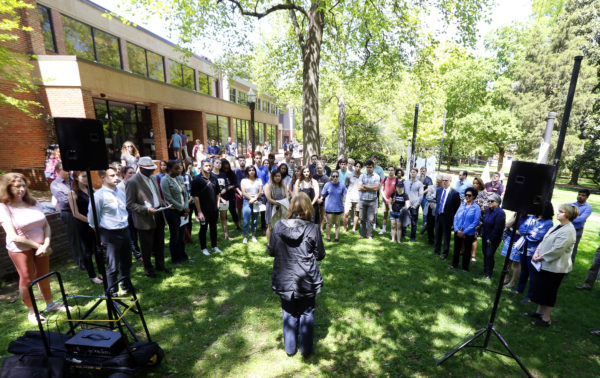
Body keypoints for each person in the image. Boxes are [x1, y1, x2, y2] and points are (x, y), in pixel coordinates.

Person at [0, 173, 67, 324]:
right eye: (17, 186)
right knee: (27, 279)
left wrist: (47, 244)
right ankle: (32, 312)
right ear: (7, 188)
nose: (22, 189)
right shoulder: (4, 207)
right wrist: (40, 246)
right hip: (20, 249)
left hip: (42, 246)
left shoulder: (33, 202)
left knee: (44, 275)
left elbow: (46, 224)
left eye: (23, 185)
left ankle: (50, 304)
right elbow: (13, 236)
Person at [268, 192, 325, 357]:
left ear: (292, 207)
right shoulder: (312, 229)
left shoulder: (278, 226)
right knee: (306, 312)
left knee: (289, 311)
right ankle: (303, 350)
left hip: (286, 278)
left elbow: (271, 251)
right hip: (305, 277)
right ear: (308, 208)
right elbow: (319, 254)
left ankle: (291, 349)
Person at [527, 204, 578, 327]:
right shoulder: (557, 226)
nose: (558, 213)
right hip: (545, 263)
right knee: (542, 289)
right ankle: (539, 312)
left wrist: (541, 257)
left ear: (568, 215)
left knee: (549, 292)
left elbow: (557, 250)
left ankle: (546, 319)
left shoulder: (569, 231)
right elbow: (544, 241)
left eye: (561, 212)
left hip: (556, 268)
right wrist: (537, 252)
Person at [89, 168, 135, 296]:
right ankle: (112, 292)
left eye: (116, 175)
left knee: (127, 262)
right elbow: (93, 219)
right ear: (103, 178)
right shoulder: (98, 196)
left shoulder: (120, 192)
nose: (116, 178)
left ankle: (126, 285)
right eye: (112, 175)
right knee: (113, 266)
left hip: (124, 230)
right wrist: (101, 236)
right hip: (110, 234)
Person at [126, 157, 171, 277]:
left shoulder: (153, 177)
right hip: (144, 219)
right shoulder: (132, 182)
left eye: (152, 168)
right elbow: (130, 203)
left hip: (158, 214)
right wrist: (146, 209)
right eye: (149, 169)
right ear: (140, 168)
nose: (152, 171)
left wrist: (162, 202)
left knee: (159, 243)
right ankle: (149, 270)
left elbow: (156, 195)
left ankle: (160, 265)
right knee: (147, 246)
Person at [67, 171, 103, 284]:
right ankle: (92, 276)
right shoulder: (72, 193)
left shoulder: (91, 189)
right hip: (83, 225)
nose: (86, 178)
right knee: (87, 251)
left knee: (98, 249)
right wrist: (91, 222)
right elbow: (75, 213)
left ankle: (101, 272)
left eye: (87, 176)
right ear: (76, 178)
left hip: (94, 224)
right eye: (83, 176)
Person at [514, 204, 554, 301]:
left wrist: (528, 233)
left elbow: (537, 237)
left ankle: (530, 296)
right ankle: (519, 289)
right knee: (524, 270)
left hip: (534, 251)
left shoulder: (548, 223)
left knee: (533, 274)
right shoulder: (531, 217)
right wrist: (531, 232)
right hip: (524, 248)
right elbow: (522, 229)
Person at [50, 162, 83, 270]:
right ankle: (80, 262)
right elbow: (64, 201)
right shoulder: (55, 184)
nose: (69, 172)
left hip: (81, 211)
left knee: (84, 235)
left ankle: (87, 257)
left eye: (69, 170)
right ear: (59, 171)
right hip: (68, 213)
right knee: (74, 237)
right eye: (66, 170)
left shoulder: (74, 181)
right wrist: (78, 198)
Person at [160, 160, 190, 266]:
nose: (179, 170)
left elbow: (185, 194)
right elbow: (168, 198)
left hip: (183, 211)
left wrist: (186, 206)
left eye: (180, 167)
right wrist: (182, 208)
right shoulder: (165, 180)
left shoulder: (180, 178)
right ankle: (175, 259)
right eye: (176, 168)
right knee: (175, 236)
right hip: (172, 212)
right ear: (169, 169)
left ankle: (183, 256)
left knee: (182, 236)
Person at [192, 159, 222, 255]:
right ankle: (203, 248)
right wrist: (199, 211)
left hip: (214, 209)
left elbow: (218, 193)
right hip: (203, 210)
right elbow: (195, 197)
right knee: (203, 228)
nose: (208, 167)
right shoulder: (196, 180)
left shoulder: (214, 178)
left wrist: (217, 205)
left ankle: (214, 246)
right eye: (206, 165)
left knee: (214, 228)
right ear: (201, 167)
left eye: (209, 165)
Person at [451, 187, 481, 271]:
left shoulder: (476, 208)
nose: (467, 196)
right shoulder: (461, 205)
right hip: (458, 231)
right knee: (456, 249)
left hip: (468, 233)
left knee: (467, 251)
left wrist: (464, 232)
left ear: (474, 196)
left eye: (469, 195)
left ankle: (465, 267)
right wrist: (457, 230)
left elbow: (475, 222)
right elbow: (455, 217)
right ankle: (454, 264)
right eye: (466, 195)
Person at [117, 166, 143, 262]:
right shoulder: (120, 187)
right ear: (124, 174)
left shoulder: (135, 184)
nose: (132, 175)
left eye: (133, 172)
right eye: (130, 173)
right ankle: (137, 254)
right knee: (132, 235)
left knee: (140, 232)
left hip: (137, 210)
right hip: (127, 212)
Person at [481, 193, 506, 282]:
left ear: (498, 202)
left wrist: (491, 239)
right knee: (485, 253)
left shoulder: (500, 213)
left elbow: (498, 228)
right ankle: (485, 270)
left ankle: (489, 274)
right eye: (489, 201)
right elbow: (485, 221)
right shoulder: (488, 210)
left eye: (492, 201)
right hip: (485, 236)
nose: (490, 202)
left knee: (489, 255)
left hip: (493, 238)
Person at [435, 174, 461, 259]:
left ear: (450, 181)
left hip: (447, 217)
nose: (444, 182)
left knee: (446, 235)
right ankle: (437, 250)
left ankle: (445, 253)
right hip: (439, 215)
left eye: (446, 180)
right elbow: (438, 202)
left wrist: (452, 217)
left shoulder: (455, 193)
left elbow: (457, 207)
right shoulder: (439, 190)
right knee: (438, 233)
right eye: (443, 180)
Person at [500, 211, 529, 288]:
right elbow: (507, 224)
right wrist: (517, 216)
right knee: (508, 261)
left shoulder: (529, 217)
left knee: (516, 263)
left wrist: (512, 229)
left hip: (519, 242)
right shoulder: (517, 214)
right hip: (510, 239)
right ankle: (506, 278)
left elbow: (523, 232)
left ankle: (512, 282)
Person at [265, 168, 289, 244]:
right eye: (276, 176)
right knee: (270, 226)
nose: (278, 178)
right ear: (272, 177)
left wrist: (283, 203)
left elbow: (287, 196)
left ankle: (280, 242)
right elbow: (269, 198)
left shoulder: (283, 185)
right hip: (271, 207)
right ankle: (269, 243)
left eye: (279, 176)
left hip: (282, 207)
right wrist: (279, 203)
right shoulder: (268, 186)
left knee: (281, 225)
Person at [321, 170, 347, 242]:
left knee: (337, 223)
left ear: (338, 177)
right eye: (333, 176)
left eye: (336, 176)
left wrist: (344, 204)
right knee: (329, 223)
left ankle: (336, 237)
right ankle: (328, 237)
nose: (335, 178)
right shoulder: (327, 185)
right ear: (331, 177)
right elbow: (323, 194)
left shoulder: (342, 185)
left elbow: (344, 195)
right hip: (329, 207)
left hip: (338, 207)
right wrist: (320, 199)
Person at [358, 160, 380, 240]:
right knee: (362, 218)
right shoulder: (362, 176)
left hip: (372, 200)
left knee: (370, 219)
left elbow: (377, 188)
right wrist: (371, 187)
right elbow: (359, 187)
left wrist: (365, 186)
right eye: (367, 167)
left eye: (370, 167)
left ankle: (369, 235)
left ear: (373, 167)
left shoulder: (377, 176)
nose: (368, 169)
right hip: (363, 200)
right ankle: (362, 234)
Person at [470, 177, 491, 262]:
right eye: (474, 183)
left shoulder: (484, 193)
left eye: (477, 183)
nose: (475, 185)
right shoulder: (471, 191)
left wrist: (476, 208)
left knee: (474, 236)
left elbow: (485, 207)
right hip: (469, 216)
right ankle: (463, 250)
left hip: (478, 217)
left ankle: (473, 255)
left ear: (480, 184)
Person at [240, 165, 263, 244]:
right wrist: (251, 199)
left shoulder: (258, 180)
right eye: (249, 170)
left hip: (256, 200)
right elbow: (243, 192)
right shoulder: (243, 180)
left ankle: (253, 235)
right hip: (247, 200)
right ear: (247, 172)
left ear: (255, 171)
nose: (251, 172)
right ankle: (245, 236)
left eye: (253, 170)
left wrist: (254, 199)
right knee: (246, 220)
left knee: (255, 220)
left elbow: (260, 191)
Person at [212, 158, 234, 241]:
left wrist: (226, 189)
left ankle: (226, 235)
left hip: (224, 199)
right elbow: (213, 190)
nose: (219, 164)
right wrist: (220, 197)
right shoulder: (211, 175)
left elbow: (226, 185)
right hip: (214, 201)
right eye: (217, 163)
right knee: (214, 219)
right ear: (213, 164)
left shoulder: (223, 174)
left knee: (224, 218)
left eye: (220, 163)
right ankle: (214, 237)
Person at [570, 189, 592, 264]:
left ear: (587, 197)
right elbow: (564, 216)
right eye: (579, 194)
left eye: (583, 195)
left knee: (572, 249)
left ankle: (568, 269)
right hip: (566, 228)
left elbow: (580, 220)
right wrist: (576, 216)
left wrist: (570, 216)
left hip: (577, 230)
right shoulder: (570, 204)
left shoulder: (588, 207)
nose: (580, 196)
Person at [220, 159, 241, 232]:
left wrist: (228, 188)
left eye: (227, 168)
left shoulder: (232, 173)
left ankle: (238, 226)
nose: (226, 170)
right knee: (223, 214)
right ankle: (225, 230)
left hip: (231, 195)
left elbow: (236, 184)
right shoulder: (219, 174)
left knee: (233, 212)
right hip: (223, 197)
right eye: (224, 168)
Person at [404, 168, 424, 242]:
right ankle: (403, 233)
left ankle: (413, 237)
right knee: (404, 219)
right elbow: (403, 193)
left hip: (414, 205)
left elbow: (421, 196)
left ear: (416, 173)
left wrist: (416, 204)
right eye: (411, 172)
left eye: (414, 172)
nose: (412, 173)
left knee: (414, 221)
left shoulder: (419, 184)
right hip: (406, 204)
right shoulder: (405, 182)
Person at [343, 161, 362, 233]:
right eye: (356, 166)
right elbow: (346, 185)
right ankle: (345, 229)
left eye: (359, 167)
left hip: (358, 198)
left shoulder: (362, 176)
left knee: (357, 213)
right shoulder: (349, 175)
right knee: (346, 213)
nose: (358, 168)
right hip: (349, 197)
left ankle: (354, 228)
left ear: (361, 168)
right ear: (354, 167)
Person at [379, 166, 397, 236]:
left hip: (393, 201)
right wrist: (386, 199)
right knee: (385, 215)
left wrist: (393, 199)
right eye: (389, 170)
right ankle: (383, 229)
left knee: (393, 216)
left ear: (394, 171)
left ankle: (392, 230)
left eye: (392, 170)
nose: (390, 171)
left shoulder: (396, 179)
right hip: (385, 200)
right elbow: (381, 190)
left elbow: (397, 191)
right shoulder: (384, 179)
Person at [254, 151, 270, 232]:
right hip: (254, 193)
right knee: (254, 212)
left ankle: (263, 227)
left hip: (263, 194)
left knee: (263, 211)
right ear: (254, 159)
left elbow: (267, 181)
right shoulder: (252, 168)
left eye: (260, 158)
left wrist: (265, 191)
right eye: (257, 158)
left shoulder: (265, 169)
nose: (258, 160)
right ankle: (253, 228)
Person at [424, 174, 440, 245]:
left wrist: (433, 198)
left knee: (437, 226)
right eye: (436, 181)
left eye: (439, 181)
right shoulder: (431, 187)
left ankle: (437, 240)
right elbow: (427, 197)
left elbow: (441, 200)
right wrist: (435, 199)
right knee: (430, 225)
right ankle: (430, 240)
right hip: (430, 209)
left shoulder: (443, 189)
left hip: (438, 209)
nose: (437, 183)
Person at [313, 162, 329, 231]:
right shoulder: (314, 177)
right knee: (315, 213)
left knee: (322, 214)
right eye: (318, 168)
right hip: (315, 198)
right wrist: (316, 198)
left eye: (321, 168)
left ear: (323, 168)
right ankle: (315, 227)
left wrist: (321, 198)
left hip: (323, 198)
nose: (319, 169)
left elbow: (327, 189)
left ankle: (321, 228)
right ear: (316, 168)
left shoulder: (326, 178)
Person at [418, 166, 433, 231]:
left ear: (426, 171)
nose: (422, 172)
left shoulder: (428, 179)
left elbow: (429, 188)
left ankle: (425, 225)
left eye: (423, 171)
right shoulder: (417, 178)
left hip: (424, 197)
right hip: (416, 197)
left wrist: (421, 193)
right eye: (421, 171)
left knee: (425, 212)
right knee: (414, 211)